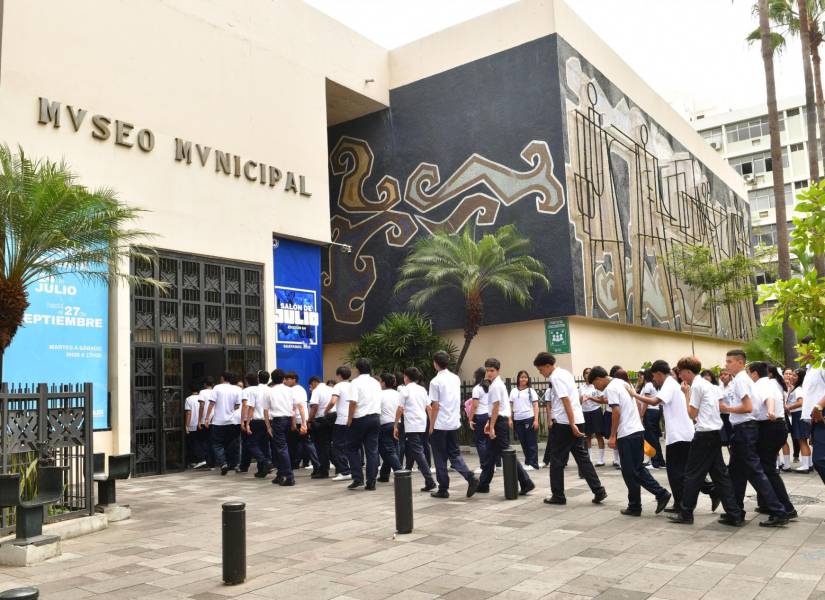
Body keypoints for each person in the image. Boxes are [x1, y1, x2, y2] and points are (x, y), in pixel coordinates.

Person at [667, 356, 744, 526]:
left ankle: (686, 512)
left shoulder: (696, 387)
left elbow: (691, 414)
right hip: (715, 433)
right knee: (720, 475)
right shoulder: (710, 385)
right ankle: (734, 513)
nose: (680, 376)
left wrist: (686, 394)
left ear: (687, 371)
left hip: (703, 434)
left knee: (692, 474)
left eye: (680, 372)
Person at [589, 366, 671, 516]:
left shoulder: (612, 387)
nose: (597, 388)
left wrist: (613, 435)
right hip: (636, 430)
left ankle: (656, 495)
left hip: (627, 433)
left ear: (598, 379)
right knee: (636, 469)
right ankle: (638, 504)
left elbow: (616, 411)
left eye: (595, 385)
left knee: (630, 471)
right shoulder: (623, 383)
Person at [720, 350, 788, 527]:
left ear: (740, 363)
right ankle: (735, 511)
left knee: (756, 472)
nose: (726, 364)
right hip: (743, 430)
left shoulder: (742, 380)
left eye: (730, 361)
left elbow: (748, 407)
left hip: (744, 429)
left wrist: (726, 409)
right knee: (736, 473)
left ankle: (778, 511)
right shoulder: (742, 380)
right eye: (726, 361)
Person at [631, 360, 708, 514]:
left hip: (679, 435)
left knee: (676, 473)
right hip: (682, 433)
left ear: (659, 374)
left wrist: (633, 395)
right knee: (683, 471)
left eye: (654, 377)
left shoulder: (669, 384)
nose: (654, 380)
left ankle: (685, 503)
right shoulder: (672, 384)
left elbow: (654, 401)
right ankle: (689, 500)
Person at [534, 353, 606, 506]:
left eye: (541, 370)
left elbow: (565, 399)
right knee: (582, 457)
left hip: (565, 423)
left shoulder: (555, 377)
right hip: (577, 419)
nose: (541, 373)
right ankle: (598, 490)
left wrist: (571, 423)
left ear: (547, 366)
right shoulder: (565, 373)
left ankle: (558, 495)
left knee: (557, 460)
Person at [478, 358, 535, 495]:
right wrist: (489, 423)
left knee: (506, 453)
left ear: (498, 371)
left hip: (500, 422)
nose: (489, 373)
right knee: (490, 454)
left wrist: (491, 426)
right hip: (497, 420)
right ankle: (484, 483)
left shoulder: (496, 385)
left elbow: (497, 407)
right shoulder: (494, 384)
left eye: (492, 370)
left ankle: (526, 482)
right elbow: (494, 407)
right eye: (487, 370)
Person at [429, 351, 480, 498]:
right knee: (454, 454)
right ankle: (470, 477)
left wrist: (431, 425)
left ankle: (443, 488)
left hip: (440, 424)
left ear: (435, 363)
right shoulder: (455, 378)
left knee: (439, 456)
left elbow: (435, 405)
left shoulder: (435, 382)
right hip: (453, 422)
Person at [749, 361, 796, 519]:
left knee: (768, 470)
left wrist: (769, 410)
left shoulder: (762, 385)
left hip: (769, 427)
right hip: (774, 427)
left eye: (749, 373)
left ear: (755, 373)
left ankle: (787, 507)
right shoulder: (771, 383)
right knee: (764, 468)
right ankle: (767, 504)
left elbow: (769, 399)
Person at [394, 367, 436, 491]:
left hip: (412, 425)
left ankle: (430, 481)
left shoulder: (405, 390)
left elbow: (400, 408)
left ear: (406, 377)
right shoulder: (422, 389)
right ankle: (409, 469)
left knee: (417, 451)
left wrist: (396, 425)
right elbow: (429, 407)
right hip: (422, 423)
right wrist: (431, 424)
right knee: (415, 449)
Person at [345, 358, 382, 490]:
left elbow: (353, 402)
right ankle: (371, 481)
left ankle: (357, 478)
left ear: (358, 369)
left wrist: (349, 419)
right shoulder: (375, 383)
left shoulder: (355, 383)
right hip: (375, 418)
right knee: (372, 451)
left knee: (352, 448)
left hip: (360, 418)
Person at [267, 368, 302, 486]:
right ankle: (280, 474)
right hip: (288, 420)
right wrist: (294, 422)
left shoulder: (270, 391)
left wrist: (268, 426)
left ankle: (289, 476)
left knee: (281, 449)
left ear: (272, 379)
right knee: (283, 448)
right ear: (283, 379)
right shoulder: (290, 391)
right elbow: (295, 407)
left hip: (278, 421)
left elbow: (265, 410)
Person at [204, 371, 243, 476]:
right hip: (233, 421)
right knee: (232, 443)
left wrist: (207, 418)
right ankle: (234, 464)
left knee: (217, 444)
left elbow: (212, 403)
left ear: (222, 378)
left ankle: (223, 463)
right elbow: (238, 405)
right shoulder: (237, 389)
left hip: (218, 421)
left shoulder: (217, 388)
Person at [285, 372, 320, 474]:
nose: (286, 381)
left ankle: (292, 466)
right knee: (304, 443)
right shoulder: (301, 389)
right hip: (302, 419)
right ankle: (314, 464)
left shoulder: (292, 390)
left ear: (294, 380)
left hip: (297, 420)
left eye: (288, 379)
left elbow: (296, 407)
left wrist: (297, 422)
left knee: (296, 444)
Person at [801, 340, 825, 484]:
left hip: (821, 414)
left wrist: (818, 407)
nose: (799, 352)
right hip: (815, 419)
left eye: (802, 348)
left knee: (820, 460)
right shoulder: (810, 368)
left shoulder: (823, 363)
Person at [509, 370, 540, 471]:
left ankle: (534, 463)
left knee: (531, 441)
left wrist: (536, 420)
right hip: (518, 420)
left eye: (525, 377)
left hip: (529, 418)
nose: (523, 379)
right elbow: (510, 405)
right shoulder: (513, 391)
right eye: (521, 377)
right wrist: (510, 418)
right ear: (518, 378)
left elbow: (536, 405)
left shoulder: (531, 391)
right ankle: (528, 461)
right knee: (523, 441)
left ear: (528, 379)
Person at [328, 366, 353, 481]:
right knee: (352, 446)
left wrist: (326, 410)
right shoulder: (353, 385)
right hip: (353, 419)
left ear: (339, 375)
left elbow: (333, 401)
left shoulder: (338, 386)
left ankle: (345, 471)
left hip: (341, 420)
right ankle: (353, 469)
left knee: (337, 446)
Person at [246, 370, 273, 478]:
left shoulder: (254, 391)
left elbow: (251, 407)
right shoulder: (271, 390)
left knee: (252, 444)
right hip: (268, 420)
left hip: (256, 420)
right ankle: (262, 470)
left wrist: (247, 422)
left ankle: (265, 462)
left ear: (258, 378)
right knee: (264, 445)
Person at [377, 372, 402, 482]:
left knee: (387, 451)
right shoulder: (398, 394)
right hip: (397, 423)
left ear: (383, 383)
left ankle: (400, 473)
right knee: (393, 449)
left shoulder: (380, 395)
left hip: (385, 424)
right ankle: (384, 474)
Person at [638, 370, 665, 469]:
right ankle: (660, 461)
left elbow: (646, 402)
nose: (640, 378)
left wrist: (641, 414)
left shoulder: (648, 385)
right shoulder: (654, 385)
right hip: (656, 412)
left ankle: (655, 462)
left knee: (651, 438)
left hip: (649, 412)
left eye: (641, 376)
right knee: (654, 438)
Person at [308, 375, 335, 478]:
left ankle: (323, 470)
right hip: (332, 418)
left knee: (321, 446)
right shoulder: (330, 389)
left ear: (314, 382)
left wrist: (310, 420)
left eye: (311, 386)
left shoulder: (317, 391)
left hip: (321, 420)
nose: (311, 388)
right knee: (328, 444)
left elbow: (314, 406)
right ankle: (341, 467)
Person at [784, 368, 809, 473]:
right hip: (798, 415)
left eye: (794, 375)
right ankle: (809, 463)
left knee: (802, 441)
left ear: (800, 378)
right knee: (803, 441)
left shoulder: (798, 389)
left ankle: (805, 465)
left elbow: (801, 402)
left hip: (798, 415)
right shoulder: (796, 388)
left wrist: (788, 407)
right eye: (791, 375)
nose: (792, 377)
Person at [579, 368, 605, 467]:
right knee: (587, 436)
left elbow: (601, 400)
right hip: (585, 412)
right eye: (586, 373)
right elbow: (579, 402)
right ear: (583, 375)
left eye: (589, 373)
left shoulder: (596, 386)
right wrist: (582, 399)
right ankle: (588, 458)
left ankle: (601, 459)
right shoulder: (581, 388)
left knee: (598, 435)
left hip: (596, 411)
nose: (587, 375)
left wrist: (590, 397)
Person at [468, 367, 491, 477]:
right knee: (488, 441)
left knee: (480, 441)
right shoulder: (490, 387)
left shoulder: (477, 388)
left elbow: (475, 405)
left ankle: (484, 465)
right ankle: (493, 464)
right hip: (489, 415)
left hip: (481, 416)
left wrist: (470, 419)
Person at [238, 372, 261, 474]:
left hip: (251, 420)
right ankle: (262, 466)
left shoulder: (246, 391)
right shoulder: (262, 390)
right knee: (262, 444)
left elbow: (245, 406)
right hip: (264, 419)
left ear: (247, 381)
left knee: (248, 444)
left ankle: (244, 466)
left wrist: (243, 421)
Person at [184, 384, 205, 468]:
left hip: (192, 424)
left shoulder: (188, 399)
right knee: (202, 442)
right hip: (201, 423)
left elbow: (188, 413)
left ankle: (199, 460)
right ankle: (203, 459)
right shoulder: (201, 397)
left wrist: (186, 425)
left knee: (193, 443)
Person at [198, 377, 215, 469]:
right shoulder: (215, 391)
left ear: (205, 384)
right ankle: (215, 462)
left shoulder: (202, 392)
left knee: (205, 442)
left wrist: (199, 420)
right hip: (215, 420)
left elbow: (201, 406)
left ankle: (209, 462)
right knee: (214, 442)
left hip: (205, 420)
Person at [716, 369, 735, 446]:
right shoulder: (719, 387)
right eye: (721, 375)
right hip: (721, 415)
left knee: (732, 436)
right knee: (724, 438)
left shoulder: (733, 386)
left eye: (725, 374)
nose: (723, 376)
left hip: (731, 414)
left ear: (730, 376)